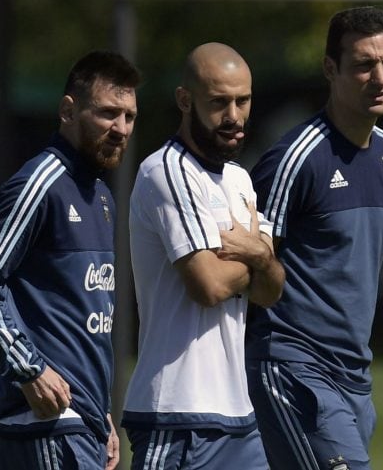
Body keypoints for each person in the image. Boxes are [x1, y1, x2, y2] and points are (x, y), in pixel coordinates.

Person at [0, 50, 140, 470]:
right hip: (44, 424)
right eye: (108, 113)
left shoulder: (102, 196)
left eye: (129, 116)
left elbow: (82, 320)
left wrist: (100, 417)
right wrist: (29, 369)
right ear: (68, 110)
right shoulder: (41, 184)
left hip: (81, 424)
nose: (121, 128)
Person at [246, 6, 383, 470]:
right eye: (363, 65)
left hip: (355, 377)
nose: (380, 78)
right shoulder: (296, 159)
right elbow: (251, 267)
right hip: (294, 367)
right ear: (330, 69)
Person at [121, 42, 284, 469]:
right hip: (175, 414)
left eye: (242, 101)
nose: (234, 116)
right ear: (184, 100)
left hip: (237, 414)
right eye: (219, 102)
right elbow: (207, 285)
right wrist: (256, 256)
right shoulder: (166, 171)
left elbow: (272, 289)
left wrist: (259, 259)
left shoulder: (240, 180)